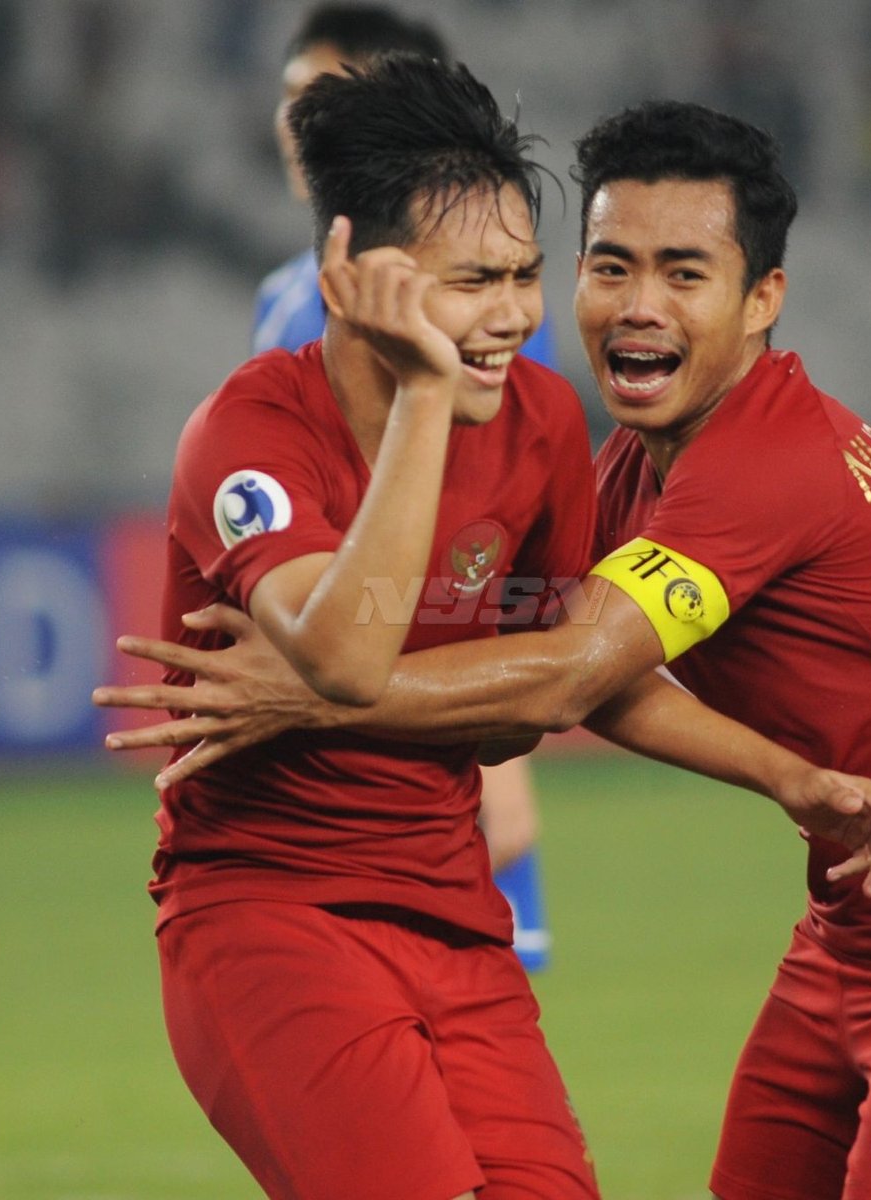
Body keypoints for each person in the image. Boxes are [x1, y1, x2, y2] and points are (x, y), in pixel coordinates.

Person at [98, 100, 871, 1200]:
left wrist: (311, 695)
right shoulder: (627, 473)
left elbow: (564, 675)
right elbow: (579, 665)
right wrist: (785, 774)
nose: (638, 305)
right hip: (846, 942)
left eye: (684, 274)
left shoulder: (762, 465)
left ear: (762, 299)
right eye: (610, 267)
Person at [255, 1, 557, 971]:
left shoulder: (484, 311)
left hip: (432, 688)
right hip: (337, 699)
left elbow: (498, 519)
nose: (292, 121)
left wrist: (500, 737)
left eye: (318, 94)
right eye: (290, 95)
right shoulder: (285, 298)